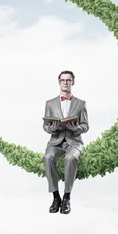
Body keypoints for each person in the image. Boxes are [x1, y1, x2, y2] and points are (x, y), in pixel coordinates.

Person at [42, 70, 89, 214]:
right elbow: (45, 125)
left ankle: (67, 197)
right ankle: (56, 197)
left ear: (72, 82)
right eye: (63, 80)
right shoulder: (50, 103)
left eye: (68, 80)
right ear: (59, 82)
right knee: (47, 157)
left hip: (74, 141)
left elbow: (86, 126)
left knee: (70, 158)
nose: (65, 83)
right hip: (56, 141)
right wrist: (51, 128)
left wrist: (77, 128)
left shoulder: (81, 104)